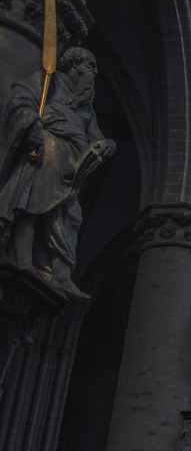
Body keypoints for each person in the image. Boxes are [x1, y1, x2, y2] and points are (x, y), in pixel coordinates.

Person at [0, 47, 116, 299]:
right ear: (73, 65)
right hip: (46, 152)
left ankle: (60, 275)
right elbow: (21, 99)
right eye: (90, 66)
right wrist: (30, 124)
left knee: (70, 216)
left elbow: (96, 136)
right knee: (32, 200)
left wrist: (108, 144)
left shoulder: (86, 108)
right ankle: (22, 259)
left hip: (73, 168)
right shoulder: (48, 83)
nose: (94, 73)